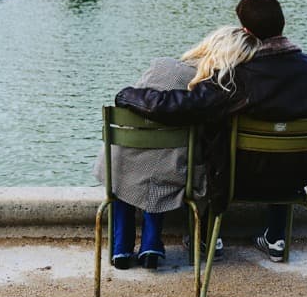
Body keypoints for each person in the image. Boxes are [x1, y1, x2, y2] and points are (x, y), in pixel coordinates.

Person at [115, 0, 307, 263]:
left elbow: (181, 105)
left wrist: (129, 95)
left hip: (238, 179)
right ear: (282, 25)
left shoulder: (238, 76)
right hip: (298, 174)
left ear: (246, 31)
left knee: (212, 134)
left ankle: (206, 237)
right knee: (282, 138)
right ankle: (276, 235)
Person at [97, 26, 259, 269]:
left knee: (133, 164)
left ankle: (121, 245)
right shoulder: (213, 88)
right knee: (163, 163)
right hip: (169, 169)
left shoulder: (162, 66)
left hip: (119, 163)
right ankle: (151, 242)